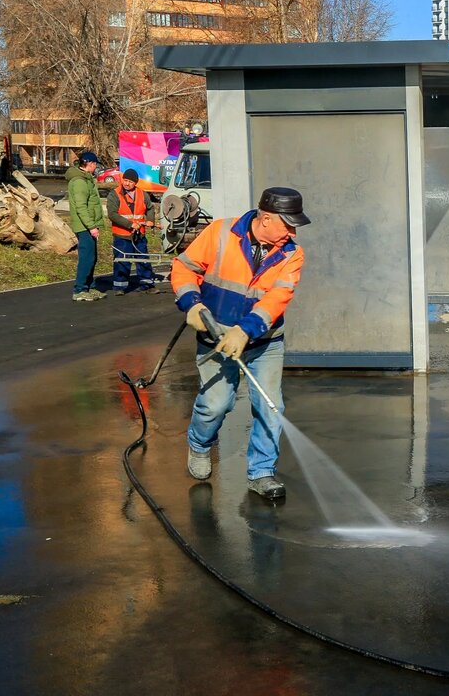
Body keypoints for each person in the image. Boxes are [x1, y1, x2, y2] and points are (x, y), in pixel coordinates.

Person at [171, 187, 309, 500]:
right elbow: (184, 268)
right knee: (216, 404)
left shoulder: (292, 253)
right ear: (266, 219)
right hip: (215, 338)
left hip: (264, 341)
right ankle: (200, 445)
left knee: (270, 406)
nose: (292, 231)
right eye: (287, 225)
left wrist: (246, 331)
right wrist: (191, 303)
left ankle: (261, 472)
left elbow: (278, 297)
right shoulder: (220, 232)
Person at [108, 169, 158, 294]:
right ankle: (120, 287)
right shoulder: (114, 194)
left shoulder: (142, 194)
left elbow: (150, 208)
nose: (127, 183)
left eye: (130, 181)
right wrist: (130, 224)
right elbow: (112, 214)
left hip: (139, 235)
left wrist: (150, 220)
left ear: (135, 183)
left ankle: (147, 285)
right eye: (125, 180)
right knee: (122, 261)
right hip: (122, 235)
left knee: (143, 259)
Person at [66, 151, 106, 302]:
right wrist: (91, 226)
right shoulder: (79, 182)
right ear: (89, 163)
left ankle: (89, 286)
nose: (96, 167)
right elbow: (81, 207)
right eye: (95, 164)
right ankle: (80, 289)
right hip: (84, 226)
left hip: (89, 225)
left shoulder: (87, 179)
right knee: (87, 258)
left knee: (92, 257)